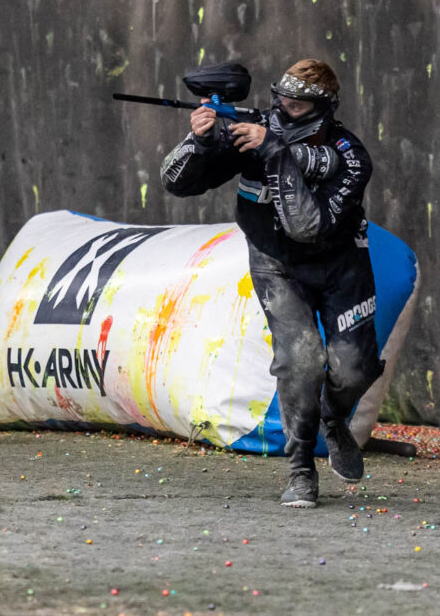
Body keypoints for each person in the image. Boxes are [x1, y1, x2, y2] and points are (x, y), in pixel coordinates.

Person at [161, 59, 384, 508]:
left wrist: (275, 151)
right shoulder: (253, 131)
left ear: (323, 108)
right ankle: (300, 469)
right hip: (275, 264)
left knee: (354, 370)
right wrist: (201, 141)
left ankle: (333, 419)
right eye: (280, 100)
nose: (283, 110)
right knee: (300, 360)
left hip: (342, 264)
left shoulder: (351, 157)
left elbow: (307, 227)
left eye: (296, 105)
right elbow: (178, 183)